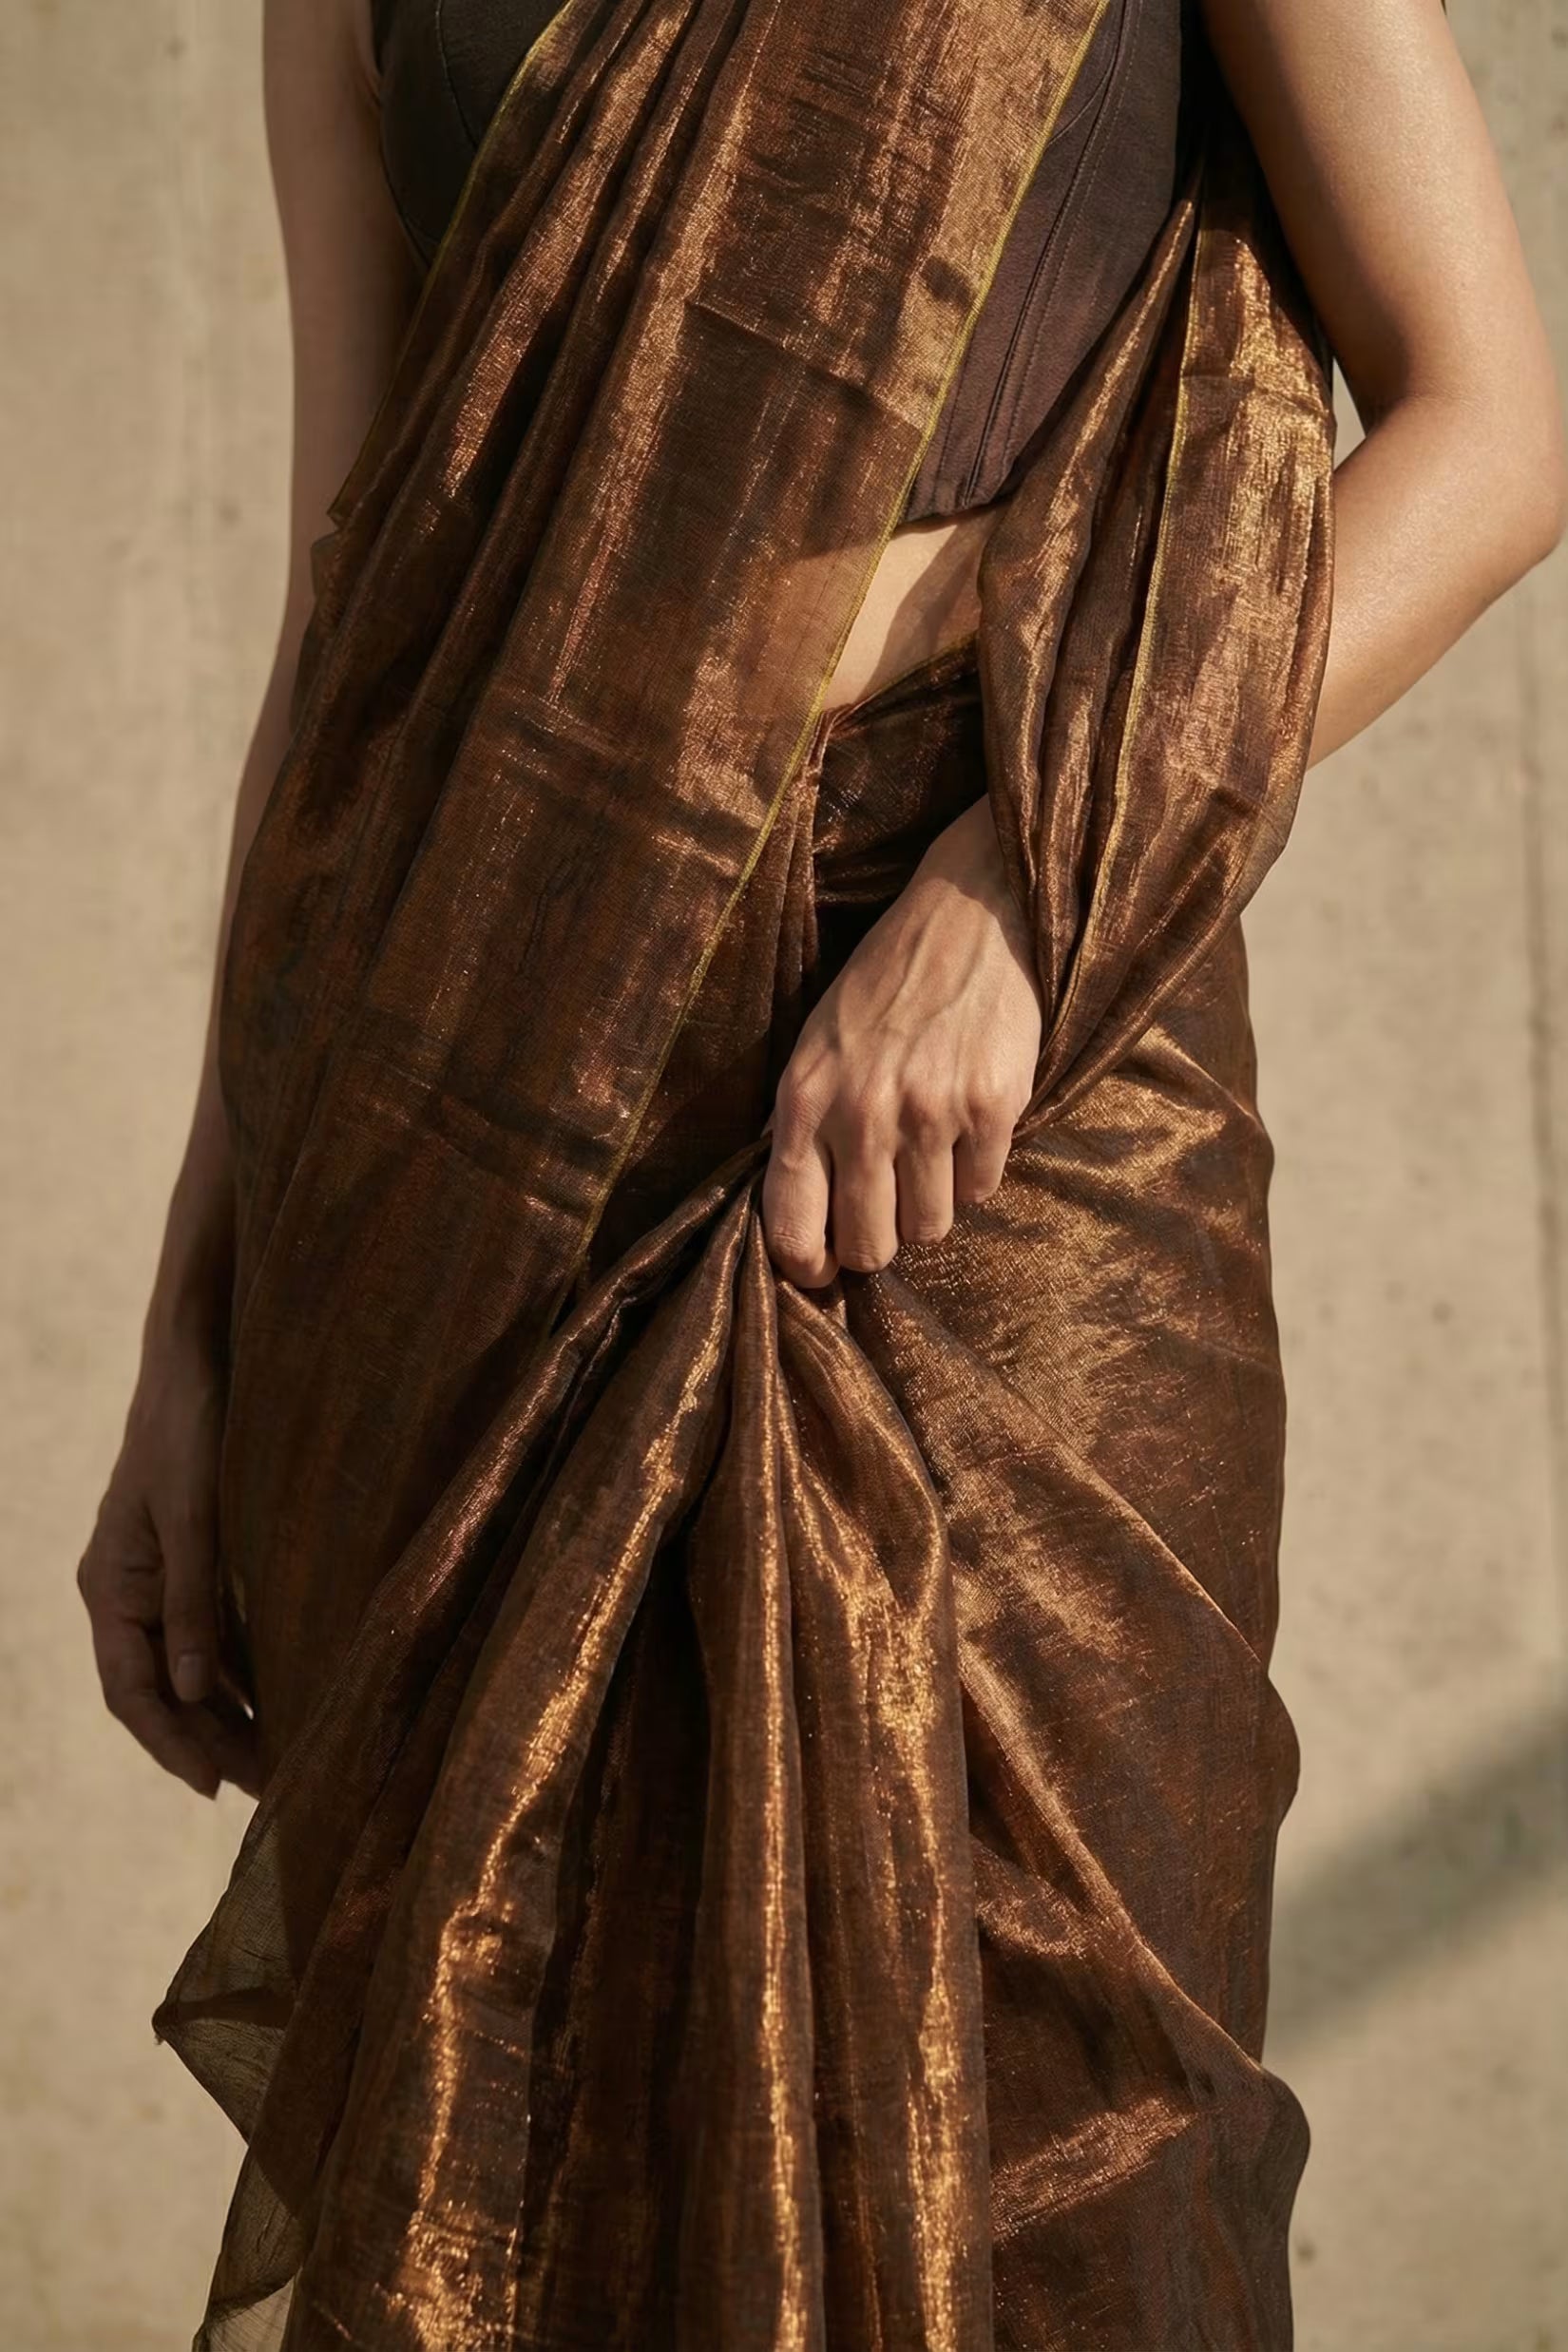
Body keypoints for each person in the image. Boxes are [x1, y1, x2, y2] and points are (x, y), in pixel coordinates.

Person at [77, 0, 1561, 2342]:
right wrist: (195, 1303)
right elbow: (354, 623)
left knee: (1057, 2158)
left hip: (1001, 1150)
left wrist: (1032, 883)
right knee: (503, 2163)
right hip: (464, 1147)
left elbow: (1490, 429)